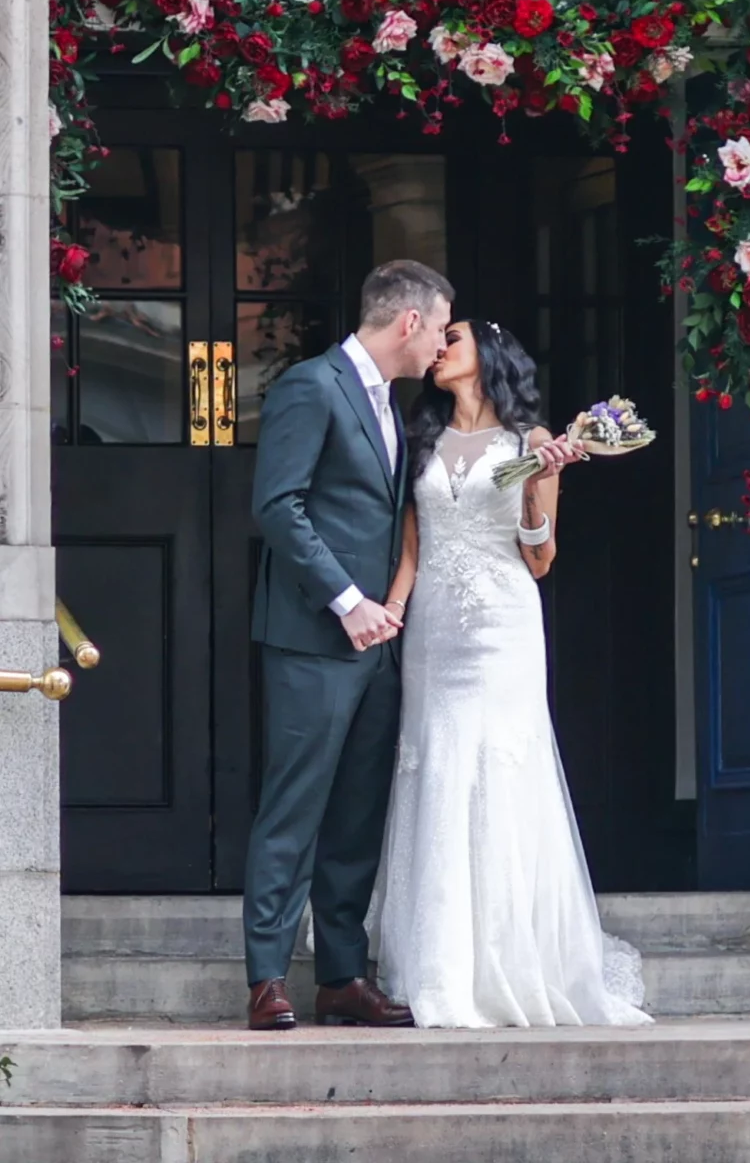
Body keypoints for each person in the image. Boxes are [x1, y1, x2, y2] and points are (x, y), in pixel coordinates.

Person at [375, 319, 652, 1029]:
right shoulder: (423, 442)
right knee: (434, 767)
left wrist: (543, 486)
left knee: (500, 770)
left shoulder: (532, 444)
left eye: (454, 337)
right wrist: (393, 613)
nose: (440, 348)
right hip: (435, 628)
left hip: (503, 626)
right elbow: (412, 542)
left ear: (487, 355)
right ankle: (436, 960)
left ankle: (507, 958)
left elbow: (540, 557)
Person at [244, 259, 453, 1032]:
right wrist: (346, 600)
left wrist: (386, 612)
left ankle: (341, 976)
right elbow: (278, 505)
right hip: (312, 637)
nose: (439, 343)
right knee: (293, 808)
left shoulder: (392, 405)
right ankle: (266, 977)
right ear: (408, 322)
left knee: (357, 816)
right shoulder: (312, 385)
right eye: (437, 327)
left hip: (380, 647)